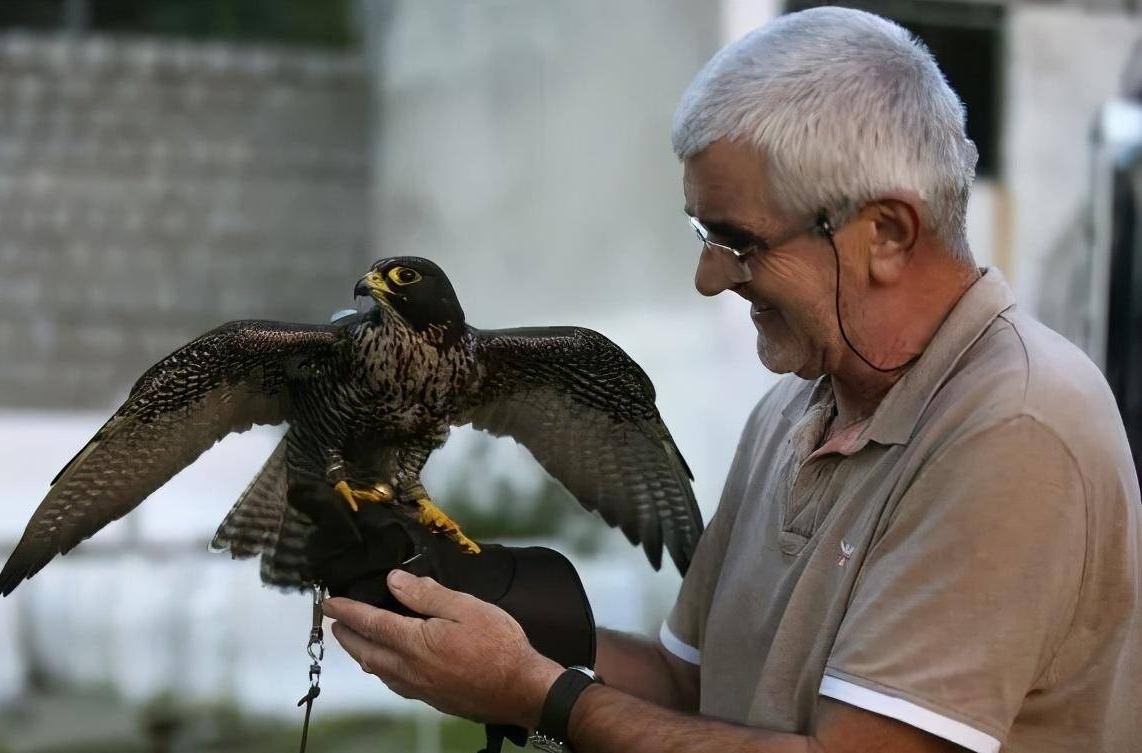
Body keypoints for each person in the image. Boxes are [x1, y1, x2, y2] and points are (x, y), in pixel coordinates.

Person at [321, 7, 1142, 752]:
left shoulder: (1013, 428)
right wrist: (479, 604)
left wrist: (540, 693)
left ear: (887, 232)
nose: (710, 277)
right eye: (700, 231)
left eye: (738, 239)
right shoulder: (793, 407)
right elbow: (692, 688)